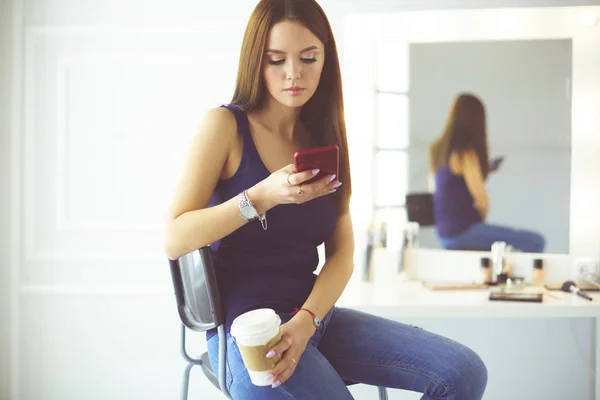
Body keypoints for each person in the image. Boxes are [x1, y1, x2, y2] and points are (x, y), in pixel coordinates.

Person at [164, 1, 488, 398]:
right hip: (249, 332)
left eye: (309, 58)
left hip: (315, 317)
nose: (294, 74)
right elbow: (175, 237)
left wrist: (306, 321)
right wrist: (262, 196)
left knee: (463, 372)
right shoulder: (225, 127)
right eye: (276, 60)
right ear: (255, 61)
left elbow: (342, 254)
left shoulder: (324, 139)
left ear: (326, 61)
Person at [430, 93, 545, 253]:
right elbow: (482, 200)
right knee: (535, 241)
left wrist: (486, 170)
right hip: (463, 231)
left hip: (444, 234)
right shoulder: (465, 154)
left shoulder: (438, 151)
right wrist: (481, 223)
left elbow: (445, 187)